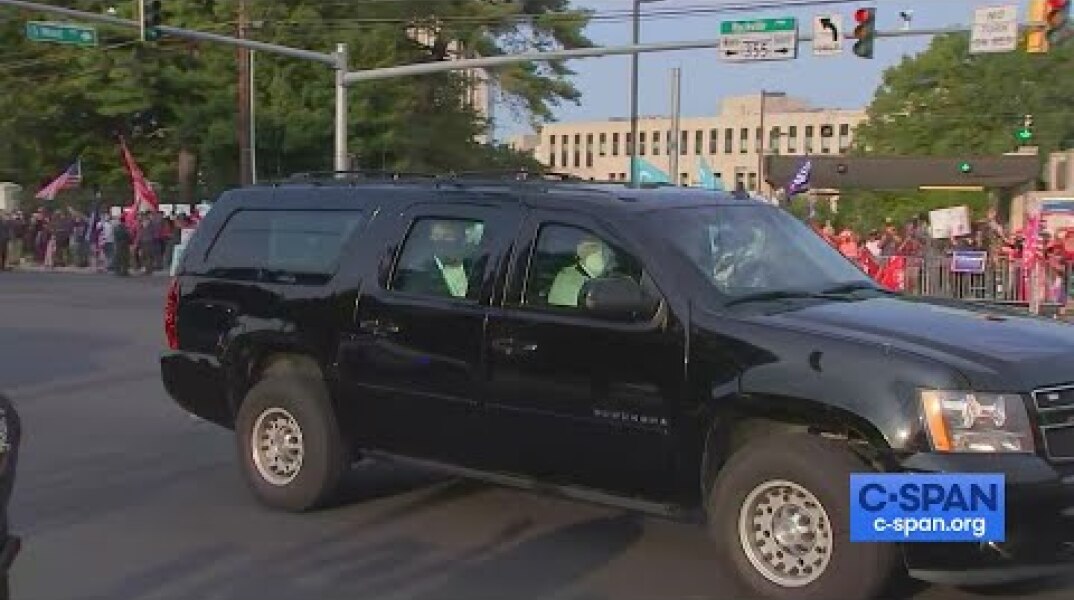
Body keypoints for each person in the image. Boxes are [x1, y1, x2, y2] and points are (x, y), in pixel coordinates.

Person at [548, 236, 610, 307]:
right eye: (587, 247)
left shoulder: (611, 273)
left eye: (595, 247)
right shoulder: (568, 276)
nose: (591, 251)